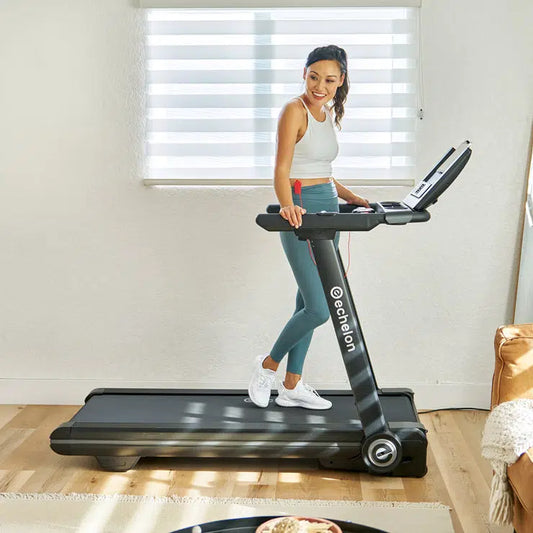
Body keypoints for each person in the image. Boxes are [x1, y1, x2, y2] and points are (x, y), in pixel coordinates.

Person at [248, 45, 370, 410]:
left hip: (328, 209)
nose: (320, 85)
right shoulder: (294, 111)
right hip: (300, 212)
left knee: (307, 299)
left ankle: (291, 385)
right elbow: (282, 168)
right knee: (320, 307)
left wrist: (354, 198)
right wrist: (288, 205)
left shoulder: (328, 112)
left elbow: (324, 172)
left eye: (329, 79)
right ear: (304, 73)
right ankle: (267, 366)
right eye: (314, 76)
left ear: (341, 81)